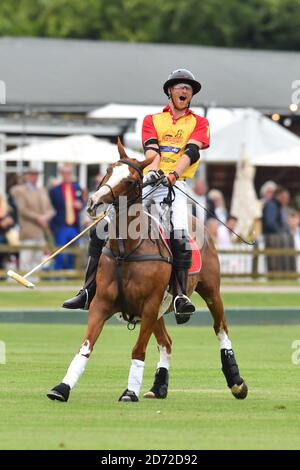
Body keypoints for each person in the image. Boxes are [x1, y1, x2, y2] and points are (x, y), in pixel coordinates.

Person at [63, 69, 210, 315]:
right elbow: (152, 151)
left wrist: (173, 175)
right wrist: (153, 172)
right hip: (151, 181)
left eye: (188, 87)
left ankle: (181, 296)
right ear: (169, 91)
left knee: (180, 234)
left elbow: (192, 152)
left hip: (178, 184)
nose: (184, 90)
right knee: (104, 227)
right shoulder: (152, 120)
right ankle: (87, 291)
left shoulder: (200, 122)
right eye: (179, 86)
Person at [10, 166, 54, 273]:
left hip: (41, 232)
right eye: (32, 175)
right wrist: (38, 218)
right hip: (28, 231)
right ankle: (23, 284)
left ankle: (35, 283)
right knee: (26, 260)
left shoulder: (42, 190)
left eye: (36, 175)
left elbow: (51, 209)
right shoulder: (20, 190)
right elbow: (23, 209)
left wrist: (45, 217)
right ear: (27, 176)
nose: (34, 177)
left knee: (38, 260)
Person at [49, 164, 84, 270]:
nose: (67, 175)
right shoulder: (55, 190)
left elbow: (82, 202)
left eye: (69, 173)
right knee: (60, 252)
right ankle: (58, 276)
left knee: (72, 253)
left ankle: (70, 273)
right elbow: (50, 207)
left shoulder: (77, 188)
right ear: (61, 174)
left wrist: (80, 204)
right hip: (61, 226)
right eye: (65, 173)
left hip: (74, 226)